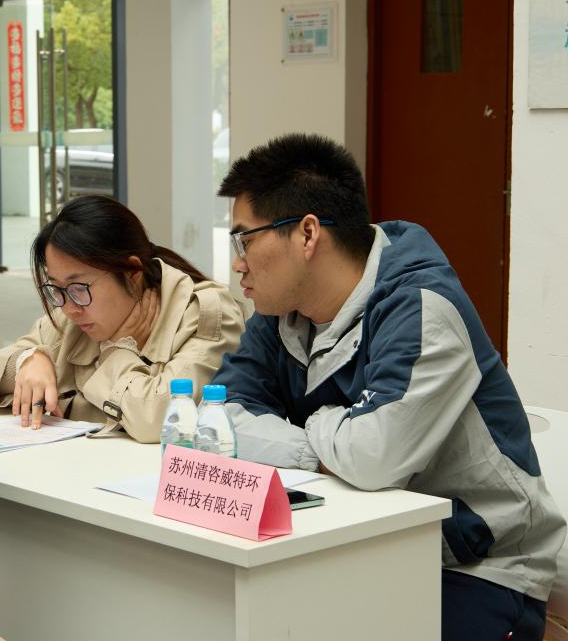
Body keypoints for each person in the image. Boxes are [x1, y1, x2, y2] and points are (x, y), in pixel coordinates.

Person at [211, 133, 566, 641]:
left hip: (472, 565)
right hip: (347, 542)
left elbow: (375, 457)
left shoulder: (421, 305)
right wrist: (326, 446)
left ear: (307, 233)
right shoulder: (280, 312)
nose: (238, 262)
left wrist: (312, 423)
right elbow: (220, 420)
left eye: (245, 240)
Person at [0, 195, 244, 440]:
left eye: (79, 287)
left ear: (132, 272)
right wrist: (30, 360)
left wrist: (116, 351)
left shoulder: (205, 313)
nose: (68, 308)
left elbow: (159, 419)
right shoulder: (72, 317)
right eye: (55, 288)